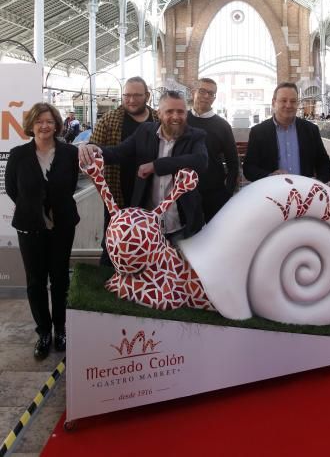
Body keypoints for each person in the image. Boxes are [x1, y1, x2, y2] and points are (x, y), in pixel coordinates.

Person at [79, 91, 208, 246]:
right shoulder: (144, 132)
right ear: (159, 114)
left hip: (182, 224)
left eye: (180, 111)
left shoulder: (196, 136)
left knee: (179, 269)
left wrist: (156, 166)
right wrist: (92, 148)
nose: (176, 116)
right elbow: (118, 153)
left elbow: (201, 161)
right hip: (147, 227)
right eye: (169, 111)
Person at [5, 103, 79, 359]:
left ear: (57, 124)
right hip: (30, 226)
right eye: (39, 121)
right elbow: (14, 190)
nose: (44, 126)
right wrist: (35, 209)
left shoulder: (70, 153)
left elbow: (70, 185)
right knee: (35, 281)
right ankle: (43, 332)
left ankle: (60, 328)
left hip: (63, 225)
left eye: (49, 121)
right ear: (31, 125)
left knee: (60, 279)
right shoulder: (18, 155)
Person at [89, 77, 158, 264]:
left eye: (137, 95)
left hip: (151, 196)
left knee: (150, 241)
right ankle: (109, 285)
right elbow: (93, 149)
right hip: (116, 195)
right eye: (127, 95)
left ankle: (144, 285)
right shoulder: (109, 120)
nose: (131, 100)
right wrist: (85, 149)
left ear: (147, 96)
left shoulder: (159, 119)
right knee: (112, 241)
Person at [243, 82, 330, 185]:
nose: (288, 105)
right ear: (274, 103)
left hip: (304, 194)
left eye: (293, 101)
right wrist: (269, 176)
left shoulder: (311, 130)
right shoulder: (258, 132)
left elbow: (324, 164)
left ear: (297, 104)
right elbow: (249, 168)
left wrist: (318, 183)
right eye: (283, 100)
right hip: (272, 193)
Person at [187, 78, 239, 221]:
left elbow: (233, 162)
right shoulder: (181, 119)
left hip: (214, 192)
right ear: (193, 93)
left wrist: (227, 191)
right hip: (183, 192)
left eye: (211, 93)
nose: (206, 96)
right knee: (187, 237)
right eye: (202, 91)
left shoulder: (222, 126)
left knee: (214, 234)